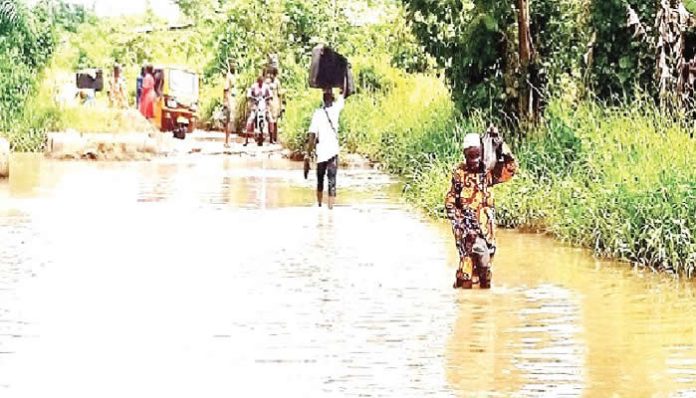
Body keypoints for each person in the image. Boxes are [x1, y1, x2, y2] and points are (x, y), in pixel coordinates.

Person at [445, 126, 518, 288]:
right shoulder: (459, 174)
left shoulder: (488, 173)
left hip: (487, 232)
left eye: (478, 155)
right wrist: (463, 228)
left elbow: (511, 168)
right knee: (466, 278)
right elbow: (450, 204)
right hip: (467, 234)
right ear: (465, 155)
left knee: (485, 277)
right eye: (471, 156)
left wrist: (500, 144)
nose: (475, 160)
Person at [305, 87, 346, 210]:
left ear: (323, 100)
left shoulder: (317, 113)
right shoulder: (336, 109)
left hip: (321, 153)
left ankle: (319, 206)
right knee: (332, 181)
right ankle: (330, 209)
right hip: (333, 152)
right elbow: (345, 92)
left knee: (320, 181)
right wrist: (345, 72)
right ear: (332, 99)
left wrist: (308, 154)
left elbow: (312, 136)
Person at [244, 76, 272, 146]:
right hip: (256, 106)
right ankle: (246, 139)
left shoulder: (266, 87)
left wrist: (268, 97)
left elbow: (270, 94)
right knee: (251, 118)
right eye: (259, 82)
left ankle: (271, 139)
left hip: (264, 106)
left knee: (270, 119)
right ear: (257, 82)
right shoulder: (253, 86)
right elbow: (249, 94)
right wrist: (251, 97)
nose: (260, 84)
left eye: (261, 83)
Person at [265, 67, 283, 144]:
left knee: (275, 122)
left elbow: (280, 94)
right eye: (270, 74)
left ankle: (274, 137)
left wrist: (281, 105)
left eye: (273, 74)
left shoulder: (277, 82)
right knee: (269, 120)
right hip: (268, 103)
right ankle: (270, 137)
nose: (271, 75)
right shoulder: (266, 82)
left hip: (275, 103)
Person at [223, 61, 237, 148]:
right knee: (228, 121)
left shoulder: (232, 77)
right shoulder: (229, 77)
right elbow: (226, 89)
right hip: (229, 101)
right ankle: (227, 141)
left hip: (232, 100)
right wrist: (226, 101)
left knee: (230, 121)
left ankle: (228, 141)